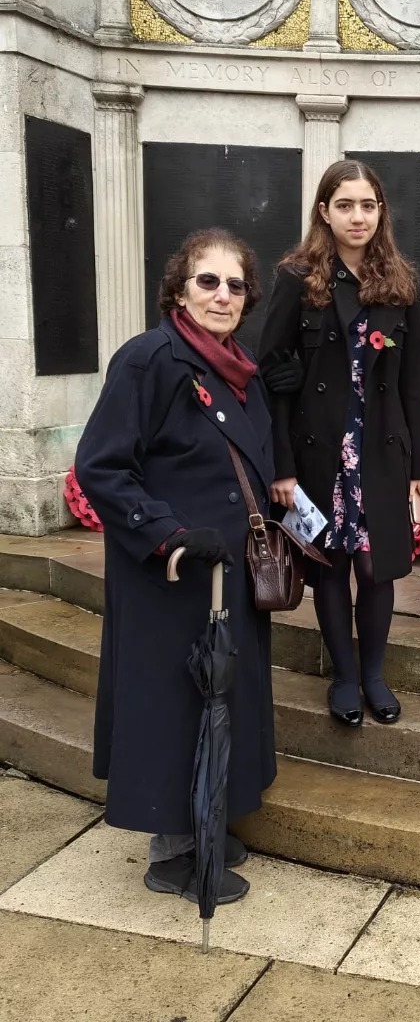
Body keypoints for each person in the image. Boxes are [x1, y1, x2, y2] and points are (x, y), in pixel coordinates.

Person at [75, 228, 276, 905]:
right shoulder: (149, 358)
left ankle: (207, 818)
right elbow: (102, 466)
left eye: (235, 284)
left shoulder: (237, 367)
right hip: (171, 573)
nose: (222, 295)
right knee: (174, 704)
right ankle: (172, 852)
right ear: (180, 290)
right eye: (207, 281)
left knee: (222, 697)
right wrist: (168, 534)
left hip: (227, 572)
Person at [259, 159, 420, 727]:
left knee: (376, 565)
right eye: (345, 205)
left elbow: (416, 381)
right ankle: (344, 677)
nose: (357, 216)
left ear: (380, 211)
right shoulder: (296, 277)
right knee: (331, 566)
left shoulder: (401, 284)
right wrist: (281, 466)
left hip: (382, 450)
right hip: (318, 452)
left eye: (367, 205)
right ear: (323, 211)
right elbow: (271, 371)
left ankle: (375, 674)